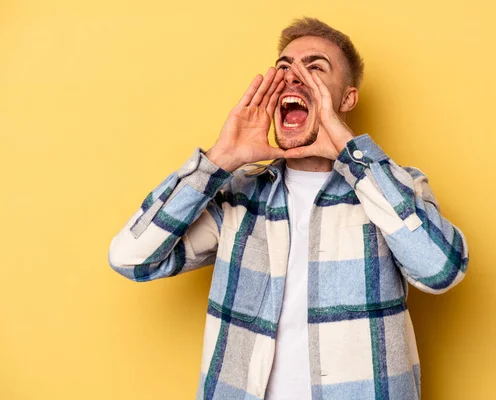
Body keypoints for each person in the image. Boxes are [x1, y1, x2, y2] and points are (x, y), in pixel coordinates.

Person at [108, 17, 469, 400]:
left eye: (314, 68)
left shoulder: (393, 187)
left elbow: (441, 270)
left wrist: (354, 156)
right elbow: (132, 258)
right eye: (284, 69)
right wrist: (219, 160)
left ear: (347, 98)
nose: (294, 78)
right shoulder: (238, 195)